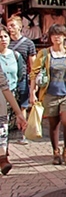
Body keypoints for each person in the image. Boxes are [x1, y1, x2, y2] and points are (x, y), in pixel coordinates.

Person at [29, 24, 66, 166]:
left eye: (60, 35)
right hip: (49, 94)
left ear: (65, 36)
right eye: (54, 35)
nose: (57, 38)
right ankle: (55, 152)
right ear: (50, 38)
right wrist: (32, 92)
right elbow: (34, 73)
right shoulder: (44, 54)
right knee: (53, 125)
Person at [0, 26, 27, 175]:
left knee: (3, 130)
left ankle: (3, 158)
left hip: (5, 100)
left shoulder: (15, 56)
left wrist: (19, 112)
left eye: (5, 36)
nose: (3, 39)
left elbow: (4, 86)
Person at [6, 16, 36, 145]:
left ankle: (23, 134)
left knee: (23, 106)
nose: (10, 28)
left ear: (19, 26)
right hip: (6, 79)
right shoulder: (5, 41)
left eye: (13, 25)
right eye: (9, 26)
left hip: (22, 78)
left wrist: (34, 84)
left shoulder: (28, 43)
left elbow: (33, 65)